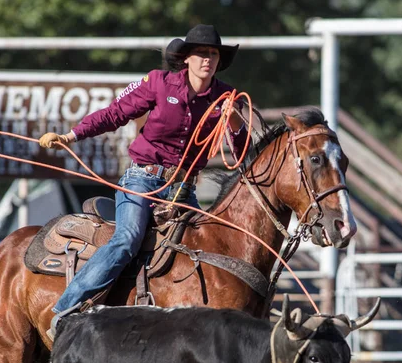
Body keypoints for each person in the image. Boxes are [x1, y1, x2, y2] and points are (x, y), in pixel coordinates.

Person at [39, 24, 247, 338]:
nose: (208, 59)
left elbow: (242, 150)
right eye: (202, 53)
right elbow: (115, 113)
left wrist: (233, 121)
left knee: (210, 246)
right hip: (143, 179)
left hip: (184, 189)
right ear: (186, 58)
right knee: (128, 238)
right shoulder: (159, 83)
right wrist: (71, 135)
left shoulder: (226, 97)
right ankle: (66, 309)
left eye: (214, 54)